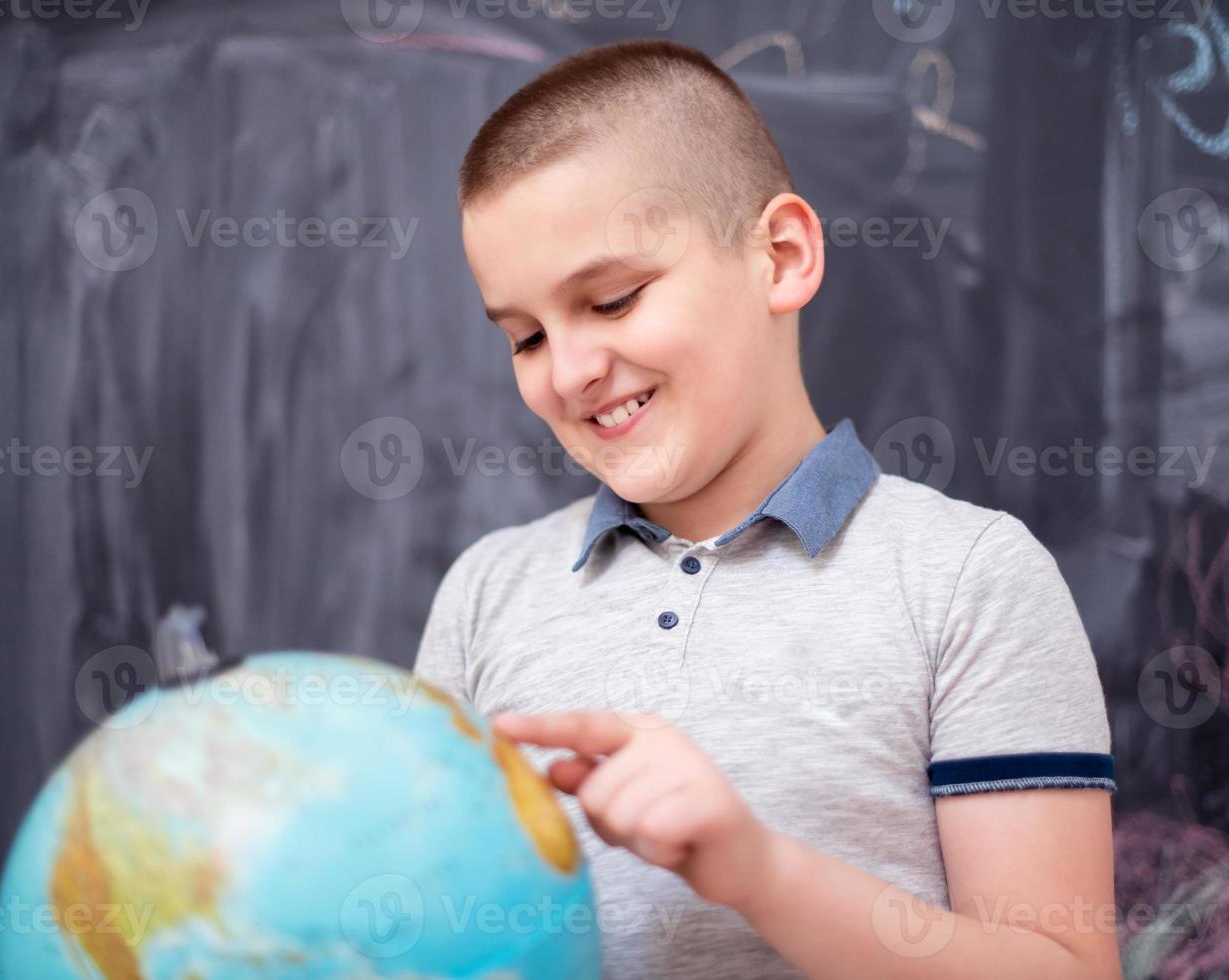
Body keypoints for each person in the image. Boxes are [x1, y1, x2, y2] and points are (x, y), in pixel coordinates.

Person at [414, 37, 1120, 980]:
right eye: (527, 336)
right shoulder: (484, 595)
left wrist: (759, 872)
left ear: (781, 256)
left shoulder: (970, 581)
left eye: (615, 300)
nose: (571, 372)